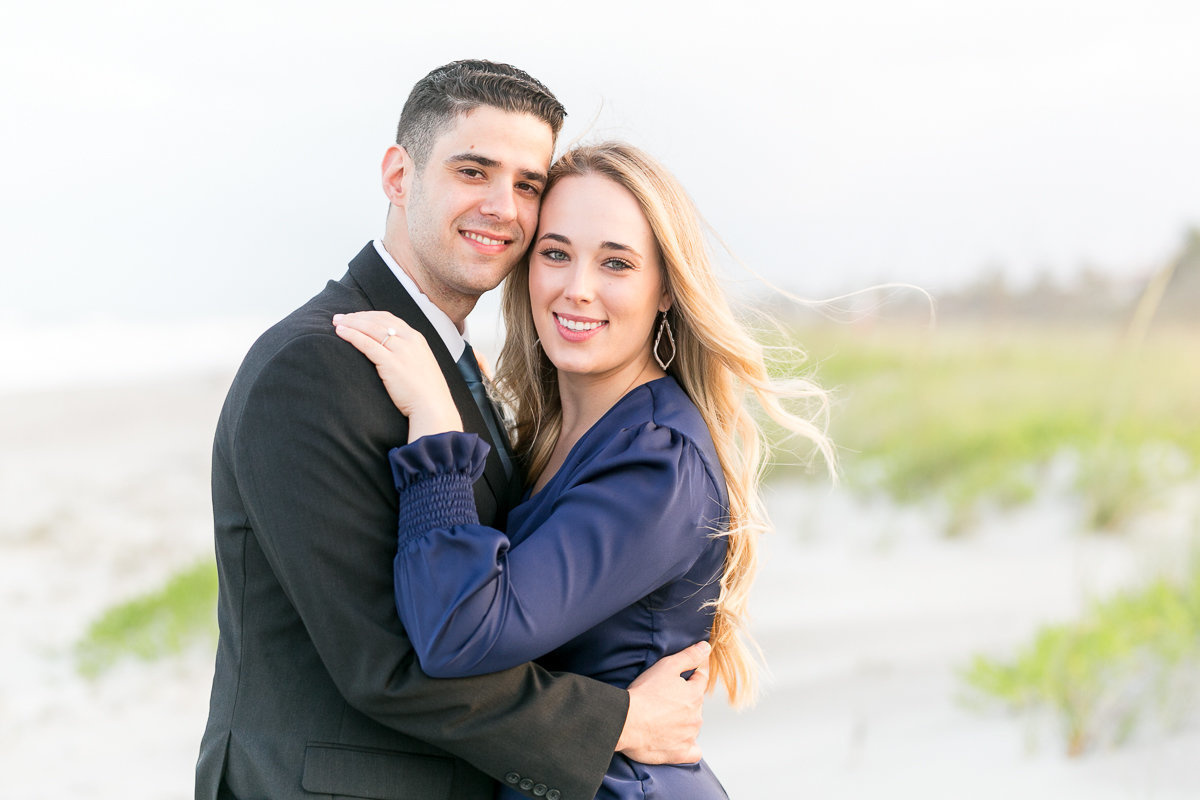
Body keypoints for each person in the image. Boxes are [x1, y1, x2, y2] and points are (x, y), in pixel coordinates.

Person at [196, 62, 712, 800]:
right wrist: (617, 722)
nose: (502, 208)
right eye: (474, 171)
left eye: (527, 184)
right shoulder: (315, 367)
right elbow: (388, 664)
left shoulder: (453, 367)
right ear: (397, 176)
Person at [333, 142, 837, 799]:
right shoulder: (557, 432)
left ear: (665, 290)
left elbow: (458, 633)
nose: (578, 288)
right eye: (556, 253)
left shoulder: (657, 461)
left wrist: (435, 422)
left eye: (616, 263)